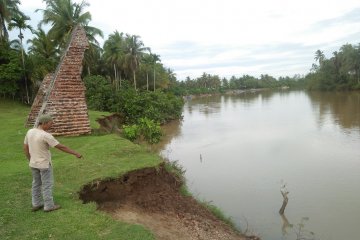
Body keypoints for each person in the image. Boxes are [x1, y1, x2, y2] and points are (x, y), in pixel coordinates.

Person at [23, 114, 82, 212]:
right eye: (50, 123)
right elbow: (61, 147)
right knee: (47, 184)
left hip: (33, 163)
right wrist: (75, 153)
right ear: (44, 123)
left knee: (36, 184)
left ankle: (36, 204)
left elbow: (25, 147)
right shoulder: (46, 135)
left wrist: (30, 159)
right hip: (44, 164)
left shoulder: (30, 131)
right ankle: (49, 206)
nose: (51, 125)